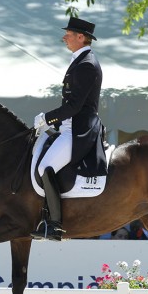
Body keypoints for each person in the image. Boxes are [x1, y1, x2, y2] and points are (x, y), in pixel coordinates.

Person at [31, 17, 104, 242]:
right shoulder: (80, 61)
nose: (65, 37)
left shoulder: (86, 64)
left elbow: (74, 106)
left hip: (78, 128)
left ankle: (55, 225)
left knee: (45, 166)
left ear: (81, 37)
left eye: (69, 34)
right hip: (69, 125)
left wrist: (46, 118)